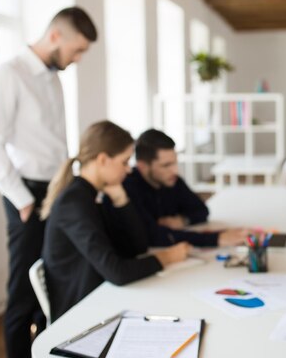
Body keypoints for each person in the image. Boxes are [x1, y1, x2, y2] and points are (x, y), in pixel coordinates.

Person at [0, 6, 97, 358]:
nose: (76, 60)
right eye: (76, 50)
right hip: (27, 197)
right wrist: (25, 203)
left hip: (56, 192)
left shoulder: (53, 77)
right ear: (56, 36)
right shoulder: (6, 75)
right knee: (23, 296)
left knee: (54, 284)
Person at [40, 121, 190, 321]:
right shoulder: (74, 202)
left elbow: (137, 247)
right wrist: (168, 257)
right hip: (80, 314)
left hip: (103, 298)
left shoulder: (97, 193)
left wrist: (122, 200)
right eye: (124, 162)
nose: (128, 170)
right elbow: (116, 272)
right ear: (103, 160)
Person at [119, 128, 248, 248]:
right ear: (143, 166)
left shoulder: (172, 180)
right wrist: (215, 239)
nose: (175, 170)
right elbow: (154, 236)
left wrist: (183, 220)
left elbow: (201, 210)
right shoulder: (130, 188)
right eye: (166, 165)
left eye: (175, 162)